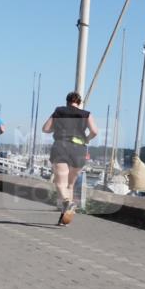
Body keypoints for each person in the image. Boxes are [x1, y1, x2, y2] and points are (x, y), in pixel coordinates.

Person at [42, 91, 98, 225]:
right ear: (79, 103)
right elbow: (94, 131)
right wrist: (86, 139)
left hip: (61, 146)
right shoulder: (86, 114)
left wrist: (55, 128)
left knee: (60, 182)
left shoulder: (59, 111)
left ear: (67, 101)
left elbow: (45, 128)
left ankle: (68, 202)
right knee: (70, 185)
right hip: (79, 150)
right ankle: (64, 217)